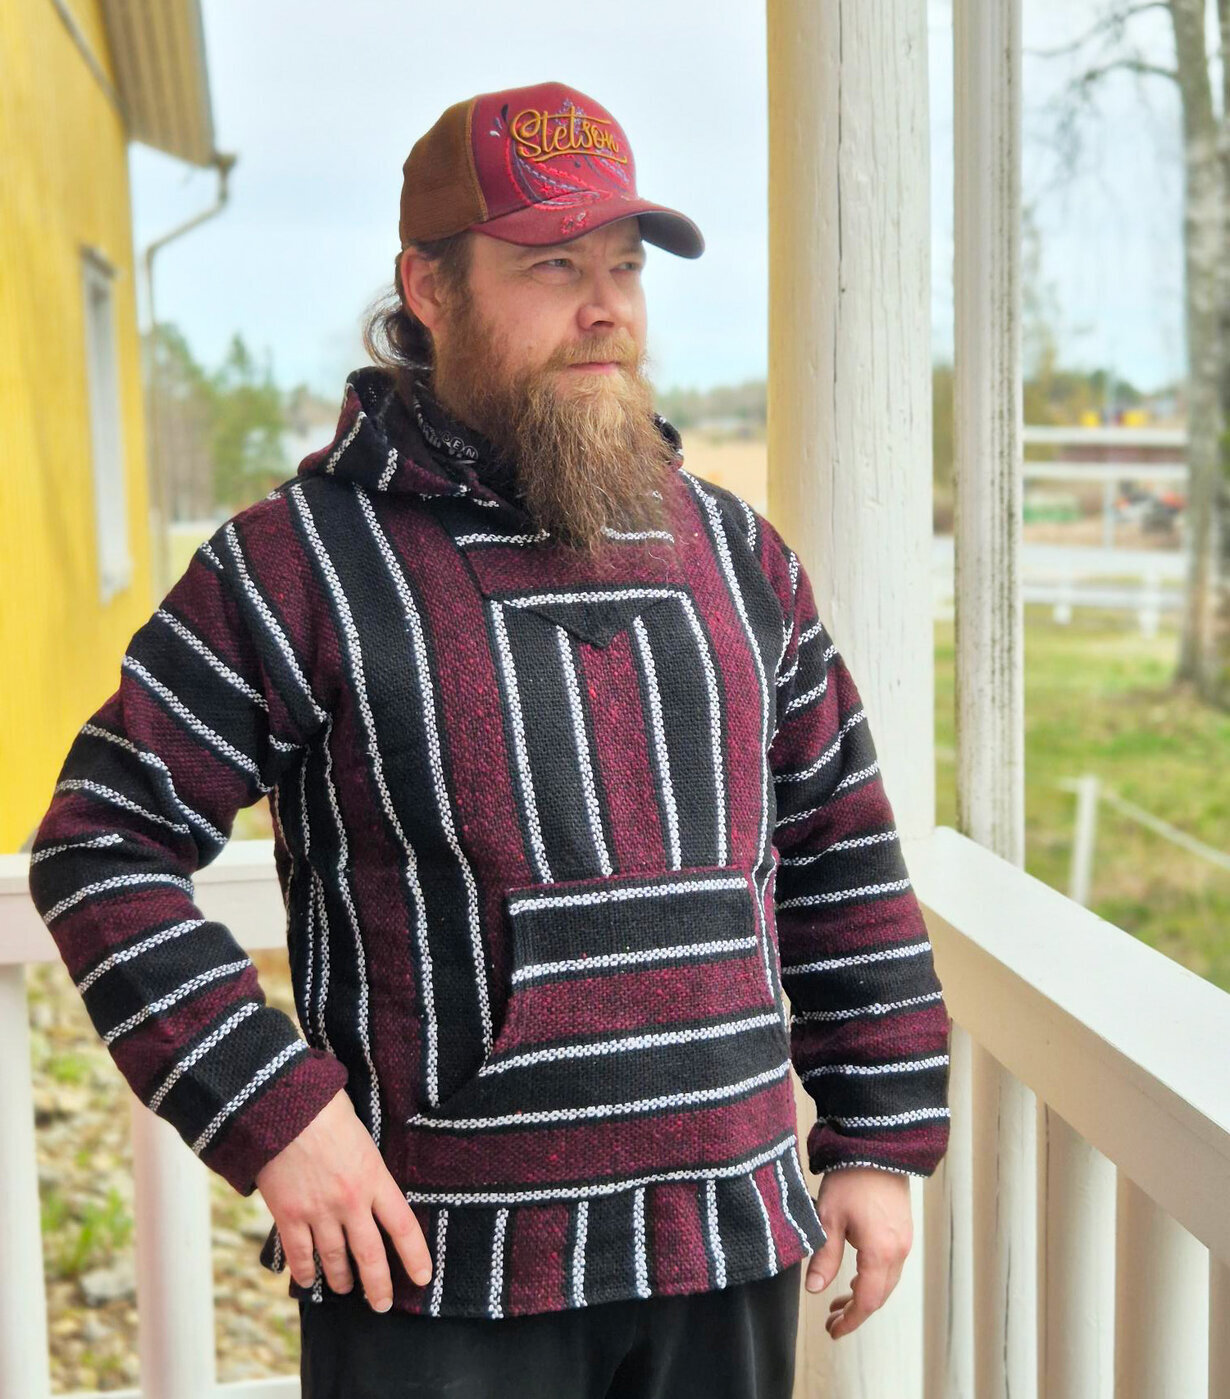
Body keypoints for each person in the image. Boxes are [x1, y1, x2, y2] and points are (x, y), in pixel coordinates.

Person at [27, 80, 951, 1397]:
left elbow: (839, 848)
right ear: (429, 288)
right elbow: (101, 846)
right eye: (552, 266)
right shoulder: (295, 566)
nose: (605, 308)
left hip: (729, 1247)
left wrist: (876, 1136)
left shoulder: (738, 557)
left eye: (625, 267)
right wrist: (277, 1115)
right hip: (433, 1274)